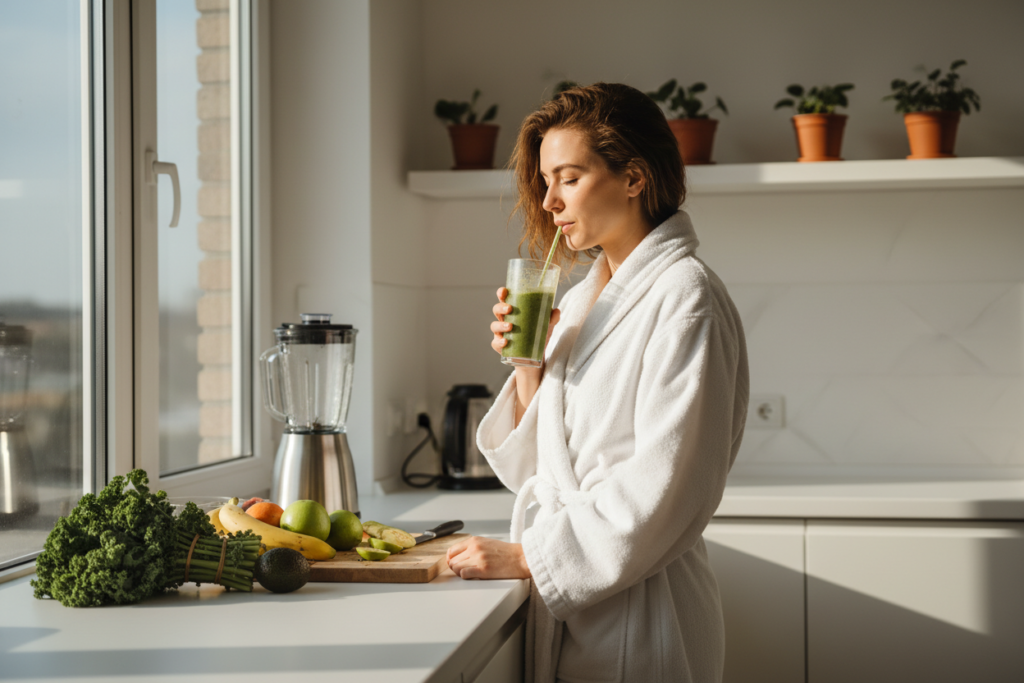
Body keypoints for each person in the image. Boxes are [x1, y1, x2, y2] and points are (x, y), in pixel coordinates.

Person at [445, 82, 749, 683]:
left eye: (569, 177)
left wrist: (530, 556)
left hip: (645, 617)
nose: (549, 200)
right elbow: (545, 469)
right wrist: (530, 366)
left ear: (633, 178)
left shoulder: (686, 296)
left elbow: (667, 486)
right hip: (583, 601)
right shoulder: (589, 298)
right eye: (545, 181)